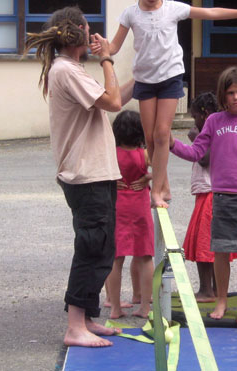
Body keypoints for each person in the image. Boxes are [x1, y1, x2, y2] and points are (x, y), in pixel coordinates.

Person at [92, 0, 237, 208]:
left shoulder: (173, 8)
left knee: (162, 133)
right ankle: (162, 184)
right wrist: (102, 47)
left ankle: (157, 192)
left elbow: (209, 13)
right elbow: (113, 46)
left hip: (169, 77)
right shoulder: (130, 14)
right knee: (150, 138)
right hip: (144, 80)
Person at [25, 6, 133, 348]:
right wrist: (108, 60)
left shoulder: (69, 69)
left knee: (103, 246)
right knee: (91, 247)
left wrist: (145, 77)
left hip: (94, 173)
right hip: (85, 175)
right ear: (78, 35)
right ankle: (75, 327)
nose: (93, 36)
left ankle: (86, 318)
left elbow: (112, 99)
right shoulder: (68, 71)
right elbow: (114, 102)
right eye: (89, 31)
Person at [169, 66, 237, 324]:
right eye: (230, 93)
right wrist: (170, 143)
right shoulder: (215, 121)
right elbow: (196, 153)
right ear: (222, 96)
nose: (236, 97)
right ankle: (222, 300)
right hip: (222, 196)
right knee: (221, 252)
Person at [183, 92, 237, 302]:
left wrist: (195, 138)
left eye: (195, 116)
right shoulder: (221, 128)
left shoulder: (212, 130)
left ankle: (207, 290)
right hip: (212, 190)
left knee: (205, 245)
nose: (194, 121)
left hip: (210, 191)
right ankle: (214, 288)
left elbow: (205, 159)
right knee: (210, 244)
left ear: (205, 114)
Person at [105, 110, 154, 320]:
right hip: (139, 203)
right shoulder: (143, 154)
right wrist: (146, 177)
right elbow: (160, 168)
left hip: (117, 204)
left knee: (116, 257)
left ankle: (115, 306)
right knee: (144, 256)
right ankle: (144, 305)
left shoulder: (110, 153)